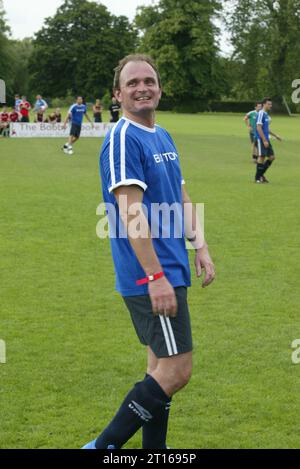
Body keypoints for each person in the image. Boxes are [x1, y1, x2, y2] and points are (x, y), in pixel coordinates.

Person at [82, 54, 215, 450]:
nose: (143, 87)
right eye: (133, 82)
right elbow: (130, 212)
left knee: (158, 368)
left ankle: (154, 453)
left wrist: (200, 244)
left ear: (159, 87)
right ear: (118, 94)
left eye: (150, 80)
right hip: (152, 275)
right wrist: (155, 277)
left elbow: (181, 193)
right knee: (176, 370)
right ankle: (102, 447)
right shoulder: (123, 138)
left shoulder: (162, 134)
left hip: (169, 268)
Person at [254, 97, 282, 183]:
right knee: (261, 157)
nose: (271, 106)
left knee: (272, 157)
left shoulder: (266, 115)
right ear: (264, 104)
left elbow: (266, 129)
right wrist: (264, 140)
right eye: (269, 104)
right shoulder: (261, 113)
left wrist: (275, 135)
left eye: (271, 104)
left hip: (266, 139)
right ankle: (258, 178)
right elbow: (258, 127)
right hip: (261, 139)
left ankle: (260, 175)